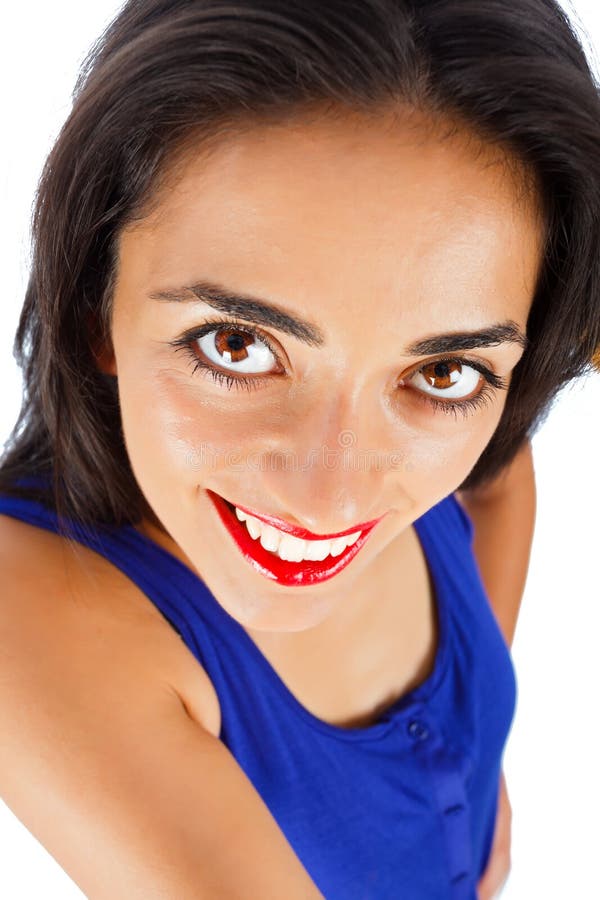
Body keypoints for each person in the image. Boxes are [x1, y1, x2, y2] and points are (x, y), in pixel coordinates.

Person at [0, 0, 598, 897]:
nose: (327, 497)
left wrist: (480, 749)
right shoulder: (25, 615)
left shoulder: (471, 447)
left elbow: (504, 475)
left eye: (443, 372)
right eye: (236, 345)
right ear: (96, 307)